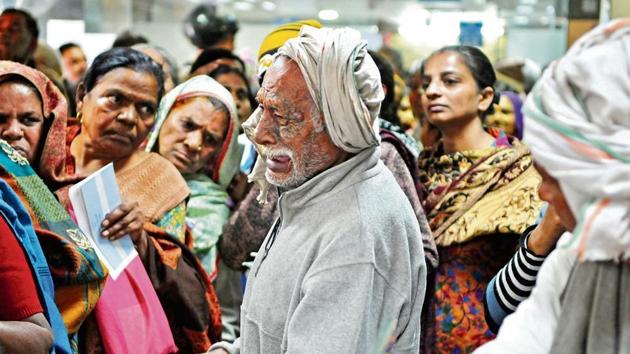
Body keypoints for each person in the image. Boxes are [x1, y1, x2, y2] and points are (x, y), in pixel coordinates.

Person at [210, 25, 426, 354]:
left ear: (342, 127)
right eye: (263, 108)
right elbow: (280, 324)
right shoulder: (312, 188)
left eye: (282, 115)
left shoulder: (355, 237)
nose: (260, 132)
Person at [39, 47, 222, 353]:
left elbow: (178, 283)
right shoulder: (43, 150)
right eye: (116, 99)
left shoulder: (159, 179)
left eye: (145, 108)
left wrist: (142, 241)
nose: (128, 117)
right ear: (83, 95)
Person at [475, 19, 630, 354]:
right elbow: (514, 322)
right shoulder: (579, 253)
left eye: (555, 178)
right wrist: (546, 232)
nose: (543, 192)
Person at [417, 45, 543, 353]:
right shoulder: (415, 169)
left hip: (492, 337)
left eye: (449, 81)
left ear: (485, 97)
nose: (433, 91)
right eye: (426, 84)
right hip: (417, 337)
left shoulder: (521, 172)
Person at [0, 61, 106, 341]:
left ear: (50, 127)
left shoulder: (72, 195)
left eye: (29, 120)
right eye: (0, 119)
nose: (13, 132)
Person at [145, 75, 244, 342]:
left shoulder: (215, 212)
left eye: (210, 140)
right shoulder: (119, 174)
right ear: (164, 115)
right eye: (187, 124)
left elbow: (228, 313)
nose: (194, 144)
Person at [59, 42, 87, 115]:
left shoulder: (91, 88)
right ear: (60, 63)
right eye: (75, 61)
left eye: (84, 59)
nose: (83, 65)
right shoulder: (56, 90)